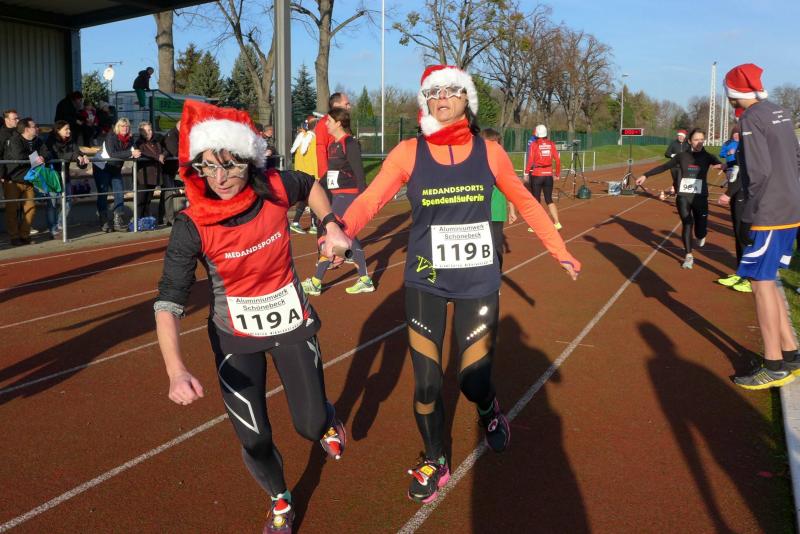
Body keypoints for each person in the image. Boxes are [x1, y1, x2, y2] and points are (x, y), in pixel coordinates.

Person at [327, 65, 580, 503]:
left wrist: (559, 250)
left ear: (467, 99)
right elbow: (372, 199)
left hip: (477, 279)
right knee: (426, 384)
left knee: (472, 380)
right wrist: (341, 230)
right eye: (434, 92)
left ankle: (488, 407)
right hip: (425, 278)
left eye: (451, 90)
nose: (442, 98)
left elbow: (525, 202)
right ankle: (435, 458)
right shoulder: (408, 152)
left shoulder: (490, 153)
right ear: (426, 101)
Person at [154, 100, 350, 533]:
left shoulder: (275, 187)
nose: (220, 178)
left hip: (291, 323)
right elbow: (168, 302)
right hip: (234, 337)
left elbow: (311, 185)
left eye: (230, 165)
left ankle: (325, 419)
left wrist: (330, 224)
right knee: (255, 438)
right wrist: (175, 370)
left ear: (249, 160)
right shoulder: (191, 224)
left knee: (310, 424)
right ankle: (280, 497)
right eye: (208, 166)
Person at [719, 64, 800, 390]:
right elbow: (796, 159)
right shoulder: (780, 111)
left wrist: (750, 213)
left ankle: (773, 364)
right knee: (769, 279)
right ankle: (790, 355)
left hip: (770, 211)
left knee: (759, 283)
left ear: (732, 92)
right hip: (790, 207)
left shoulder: (750, 119)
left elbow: (760, 172)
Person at [301, 109, 374, 295]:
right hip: (336, 194)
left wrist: (363, 199)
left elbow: (359, 173)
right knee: (348, 236)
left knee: (332, 231)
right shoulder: (333, 144)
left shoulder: (349, 143)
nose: (326, 124)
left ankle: (316, 282)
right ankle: (365, 279)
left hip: (348, 195)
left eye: (329, 121)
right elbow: (331, 173)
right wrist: (316, 187)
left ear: (339, 123)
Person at [635, 128, 722, 269]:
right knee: (687, 223)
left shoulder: (708, 156)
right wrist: (646, 175)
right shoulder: (682, 156)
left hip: (700, 197)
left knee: (700, 230)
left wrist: (723, 167)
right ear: (690, 141)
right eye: (696, 139)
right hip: (683, 196)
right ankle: (688, 255)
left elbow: (719, 164)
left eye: (701, 139)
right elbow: (664, 166)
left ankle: (701, 235)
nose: (699, 142)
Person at [4, 118, 48, 245]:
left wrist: (42, 157)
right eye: (34, 126)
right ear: (27, 129)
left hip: (29, 180)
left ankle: (24, 235)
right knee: (12, 210)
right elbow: (19, 157)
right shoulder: (14, 140)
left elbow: (47, 152)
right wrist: (36, 159)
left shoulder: (38, 140)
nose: (37, 128)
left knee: (31, 208)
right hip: (13, 180)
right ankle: (14, 237)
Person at [716, 123, 749, 292]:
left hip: (742, 193)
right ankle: (741, 272)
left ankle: (748, 277)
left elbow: (743, 173)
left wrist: (728, 193)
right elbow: (736, 166)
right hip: (738, 192)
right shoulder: (738, 148)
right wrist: (725, 166)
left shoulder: (746, 147)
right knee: (738, 233)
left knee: (743, 234)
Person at [313, 92, 351, 235]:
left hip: (344, 177)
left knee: (345, 216)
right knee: (327, 214)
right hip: (330, 177)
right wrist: (325, 176)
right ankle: (323, 245)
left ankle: (344, 242)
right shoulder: (324, 123)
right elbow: (320, 149)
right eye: (346, 104)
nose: (349, 106)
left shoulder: (344, 124)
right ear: (336, 105)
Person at [45, 120, 90, 238]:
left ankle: (59, 225)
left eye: (69, 128)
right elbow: (57, 156)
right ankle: (53, 229)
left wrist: (83, 159)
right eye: (66, 129)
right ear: (58, 130)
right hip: (52, 176)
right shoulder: (50, 141)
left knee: (68, 201)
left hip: (65, 176)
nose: (69, 131)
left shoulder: (71, 141)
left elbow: (78, 153)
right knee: (52, 204)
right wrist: (76, 156)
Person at [481, 128, 517, 269]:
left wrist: (512, 209)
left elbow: (509, 187)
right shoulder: (476, 161)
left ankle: (495, 274)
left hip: (496, 211)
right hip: (480, 211)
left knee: (495, 246)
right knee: (483, 246)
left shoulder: (502, 162)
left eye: (497, 143)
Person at [96, 117, 141, 232]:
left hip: (115, 168)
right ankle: (103, 220)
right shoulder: (111, 136)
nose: (125, 128)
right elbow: (113, 153)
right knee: (103, 194)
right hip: (102, 166)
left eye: (127, 126)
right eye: (122, 126)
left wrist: (136, 152)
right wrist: (130, 153)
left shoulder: (130, 139)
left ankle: (118, 220)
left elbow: (135, 149)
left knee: (120, 193)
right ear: (117, 127)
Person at [525, 124, 562, 231]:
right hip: (548, 174)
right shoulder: (551, 144)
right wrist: (557, 174)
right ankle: (557, 222)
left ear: (536, 133)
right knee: (549, 199)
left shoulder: (534, 144)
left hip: (537, 174)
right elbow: (557, 160)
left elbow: (530, 160)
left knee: (536, 201)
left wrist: (526, 173)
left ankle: (536, 225)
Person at [289, 116, 318, 234]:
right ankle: (313, 224)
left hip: (300, 173)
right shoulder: (313, 139)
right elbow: (315, 158)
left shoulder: (301, 137)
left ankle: (300, 222)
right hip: (311, 173)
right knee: (315, 198)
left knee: (306, 199)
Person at [133, 121, 164, 220]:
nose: (149, 132)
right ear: (141, 132)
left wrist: (162, 155)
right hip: (143, 175)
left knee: (148, 200)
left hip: (153, 175)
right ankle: (137, 221)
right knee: (141, 200)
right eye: (146, 130)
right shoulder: (138, 142)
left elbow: (163, 151)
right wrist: (157, 157)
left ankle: (145, 221)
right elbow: (143, 153)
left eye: (150, 130)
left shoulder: (156, 141)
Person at [159, 120, 181, 226]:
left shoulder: (177, 134)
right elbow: (174, 151)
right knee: (169, 192)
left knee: (165, 193)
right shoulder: (172, 135)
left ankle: (162, 217)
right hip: (166, 169)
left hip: (170, 168)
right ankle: (170, 219)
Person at [0, 109, 20, 186]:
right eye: (15, 119)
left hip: (24, 173)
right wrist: (1, 175)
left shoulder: (21, 132)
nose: (18, 120)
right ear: (6, 120)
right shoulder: (2, 135)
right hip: (9, 175)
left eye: (18, 118)